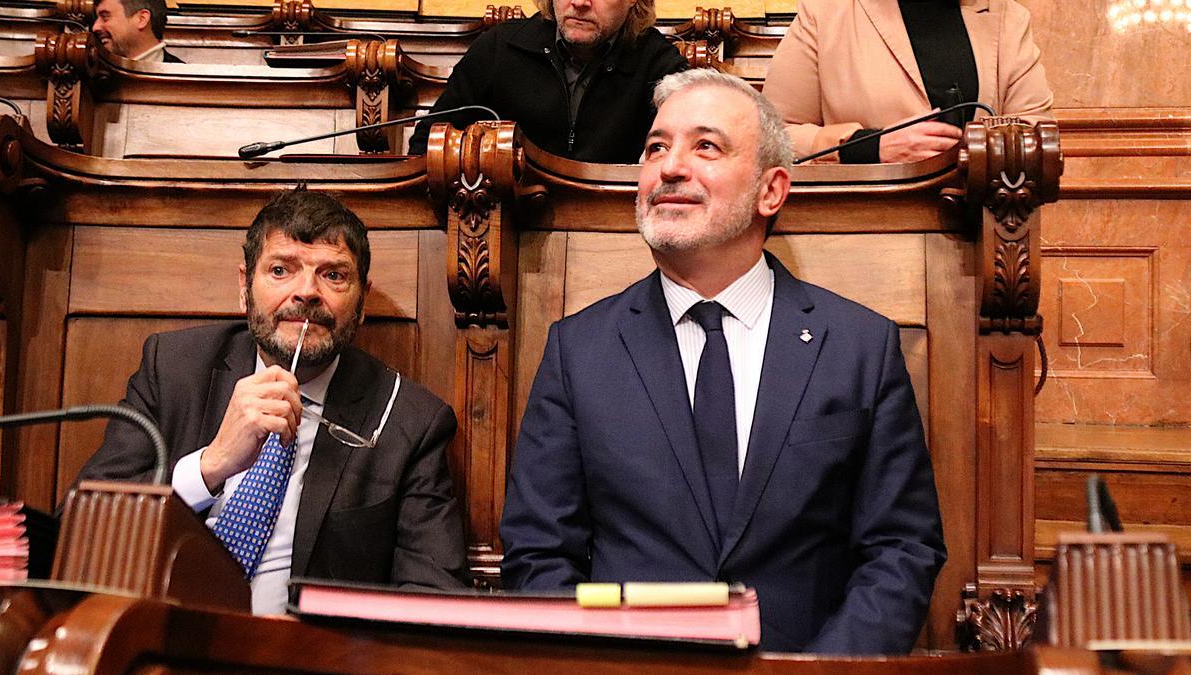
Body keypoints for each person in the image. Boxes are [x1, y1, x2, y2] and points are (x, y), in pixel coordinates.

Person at [499, 69, 946, 654]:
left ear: (771, 190)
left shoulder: (859, 346)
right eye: (656, 147)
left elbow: (901, 549)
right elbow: (538, 553)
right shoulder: (578, 350)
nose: (670, 167)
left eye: (705, 146)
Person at [77, 188, 467, 614]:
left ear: (362, 303)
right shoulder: (172, 370)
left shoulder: (410, 420)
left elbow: (432, 601)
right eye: (281, 270)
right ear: (245, 287)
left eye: (333, 275)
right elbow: (79, 533)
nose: (307, 293)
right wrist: (209, 466)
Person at [762, 0, 1052, 163]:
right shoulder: (827, 12)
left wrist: (975, 150)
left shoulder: (1008, 18)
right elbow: (769, 138)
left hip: (983, 236)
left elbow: (1037, 138)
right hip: (866, 230)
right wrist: (868, 147)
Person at [405, 0, 686, 163]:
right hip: (508, 226)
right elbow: (427, 143)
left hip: (612, 233)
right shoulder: (501, 47)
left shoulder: (658, 63)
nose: (580, 3)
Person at [92, 0, 185, 64]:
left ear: (141, 19)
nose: (95, 27)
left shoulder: (186, 83)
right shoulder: (90, 77)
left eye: (105, 17)